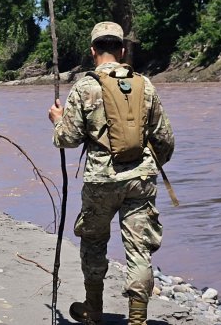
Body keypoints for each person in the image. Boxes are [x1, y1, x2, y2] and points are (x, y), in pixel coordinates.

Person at [48, 21, 175, 325]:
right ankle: (137, 317)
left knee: (93, 243)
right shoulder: (145, 85)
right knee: (139, 249)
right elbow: (165, 140)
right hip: (140, 179)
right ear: (122, 50)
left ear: (93, 51)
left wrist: (57, 119)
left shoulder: (85, 86)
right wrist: (149, 167)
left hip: (100, 180)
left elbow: (67, 139)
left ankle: (93, 309)